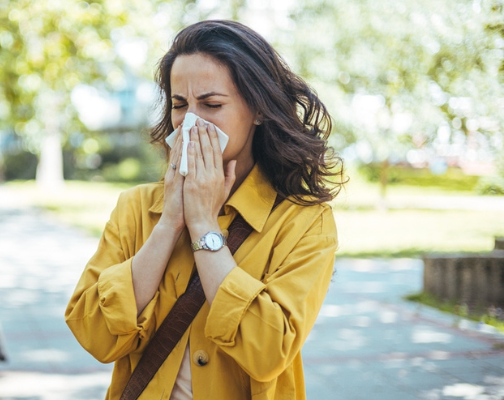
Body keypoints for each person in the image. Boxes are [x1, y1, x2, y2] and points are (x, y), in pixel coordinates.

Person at [65, 20, 344, 400]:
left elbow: (268, 351)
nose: (191, 121)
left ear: (258, 110)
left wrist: (202, 225)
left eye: (211, 104)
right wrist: (169, 224)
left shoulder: (304, 221)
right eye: (180, 105)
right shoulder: (135, 208)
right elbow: (94, 334)